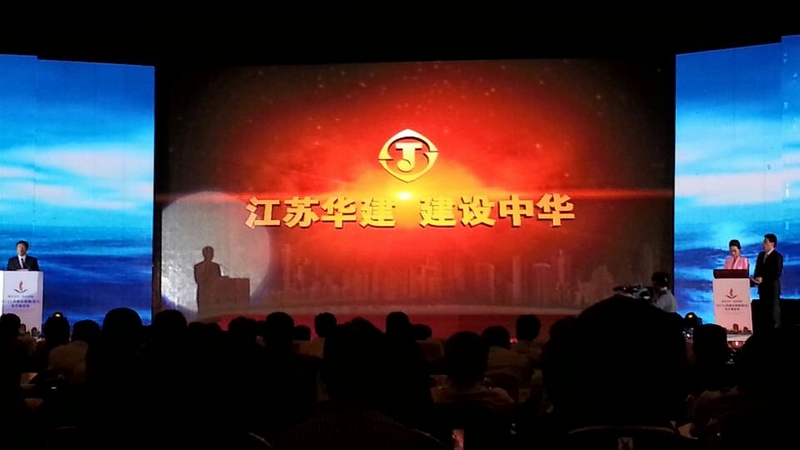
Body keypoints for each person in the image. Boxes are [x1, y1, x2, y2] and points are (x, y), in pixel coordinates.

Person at [753, 233, 782, 331]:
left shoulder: (777, 256)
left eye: (765, 242)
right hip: (762, 289)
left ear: (772, 244)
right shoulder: (761, 255)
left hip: (772, 290)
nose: (763, 244)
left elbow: (776, 273)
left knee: (773, 314)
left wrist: (763, 279)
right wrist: (757, 277)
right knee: (764, 314)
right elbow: (757, 270)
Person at [193, 246, 222, 312]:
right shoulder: (198, 266)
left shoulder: (216, 266)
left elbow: (219, 279)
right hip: (203, 294)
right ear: (204, 254)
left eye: (212, 253)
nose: (211, 255)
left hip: (214, 294)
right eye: (210, 253)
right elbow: (198, 280)